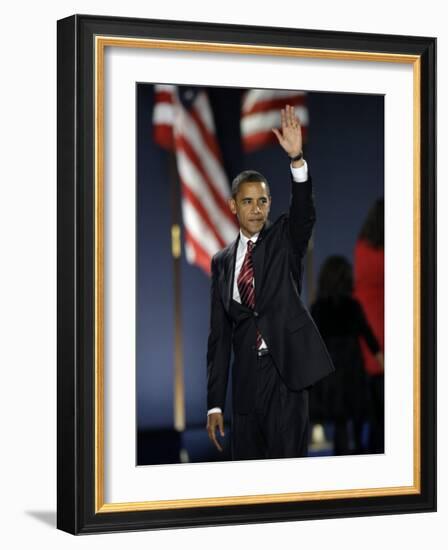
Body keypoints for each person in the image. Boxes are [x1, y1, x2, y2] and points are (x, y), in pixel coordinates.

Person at [206, 105, 334, 460]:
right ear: (233, 206)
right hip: (245, 386)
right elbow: (219, 339)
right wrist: (215, 404)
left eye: (262, 201)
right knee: (249, 481)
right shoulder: (221, 264)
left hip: (285, 376)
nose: (257, 209)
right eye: (248, 201)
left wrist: (297, 160)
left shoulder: (283, 240)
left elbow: (304, 214)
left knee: (288, 475)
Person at [310, 255, 383, 455]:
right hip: (352, 370)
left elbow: (310, 342)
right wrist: (382, 361)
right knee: (360, 419)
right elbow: (368, 337)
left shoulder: (318, 308)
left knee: (340, 424)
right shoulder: (353, 306)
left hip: (330, 374)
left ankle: (343, 460)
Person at [354, 199, 385, 453]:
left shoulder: (361, 247)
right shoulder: (389, 252)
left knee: (376, 412)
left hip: (365, 329)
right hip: (385, 327)